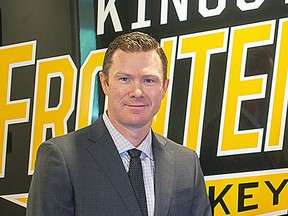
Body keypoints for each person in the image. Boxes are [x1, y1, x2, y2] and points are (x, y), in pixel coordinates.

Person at [27, 32, 212, 216]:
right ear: (104, 82)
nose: (137, 91)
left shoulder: (186, 163)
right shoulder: (62, 157)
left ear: (164, 87)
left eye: (149, 80)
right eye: (125, 79)